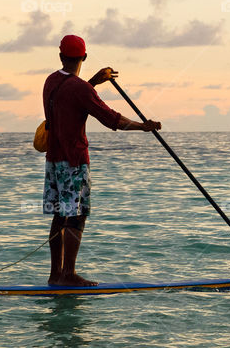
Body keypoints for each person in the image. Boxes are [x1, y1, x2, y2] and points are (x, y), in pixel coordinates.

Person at [42, 34, 161, 286]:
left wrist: (94, 82)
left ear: (61, 56)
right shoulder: (80, 89)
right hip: (74, 162)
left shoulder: (51, 81)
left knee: (59, 216)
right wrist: (143, 126)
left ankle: (55, 275)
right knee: (75, 216)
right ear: (83, 57)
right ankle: (69, 275)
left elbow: (72, 96)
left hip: (53, 161)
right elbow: (112, 119)